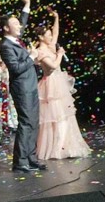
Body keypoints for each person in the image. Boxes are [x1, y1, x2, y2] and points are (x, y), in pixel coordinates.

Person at [0, 0, 46, 174]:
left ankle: (32, 158)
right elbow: (16, 68)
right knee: (26, 122)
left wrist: (27, 6)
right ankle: (20, 161)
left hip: (31, 85)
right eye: (14, 23)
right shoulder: (5, 45)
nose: (19, 25)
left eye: (18, 23)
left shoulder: (16, 40)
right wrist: (31, 57)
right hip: (22, 88)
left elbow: (22, 23)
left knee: (34, 121)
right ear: (5, 28)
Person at [34, 10, 91, 159]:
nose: (51, 36)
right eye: (48, 35)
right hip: (50, 83)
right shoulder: (40, 51)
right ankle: (56, 148)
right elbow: (52, 66)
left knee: (65, 115)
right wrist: (59, 54)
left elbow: (56, 32)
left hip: (59, 82)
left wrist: (57, 17)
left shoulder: (50, 46)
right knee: (54, 116)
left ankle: (67, 146)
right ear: (41, 37)